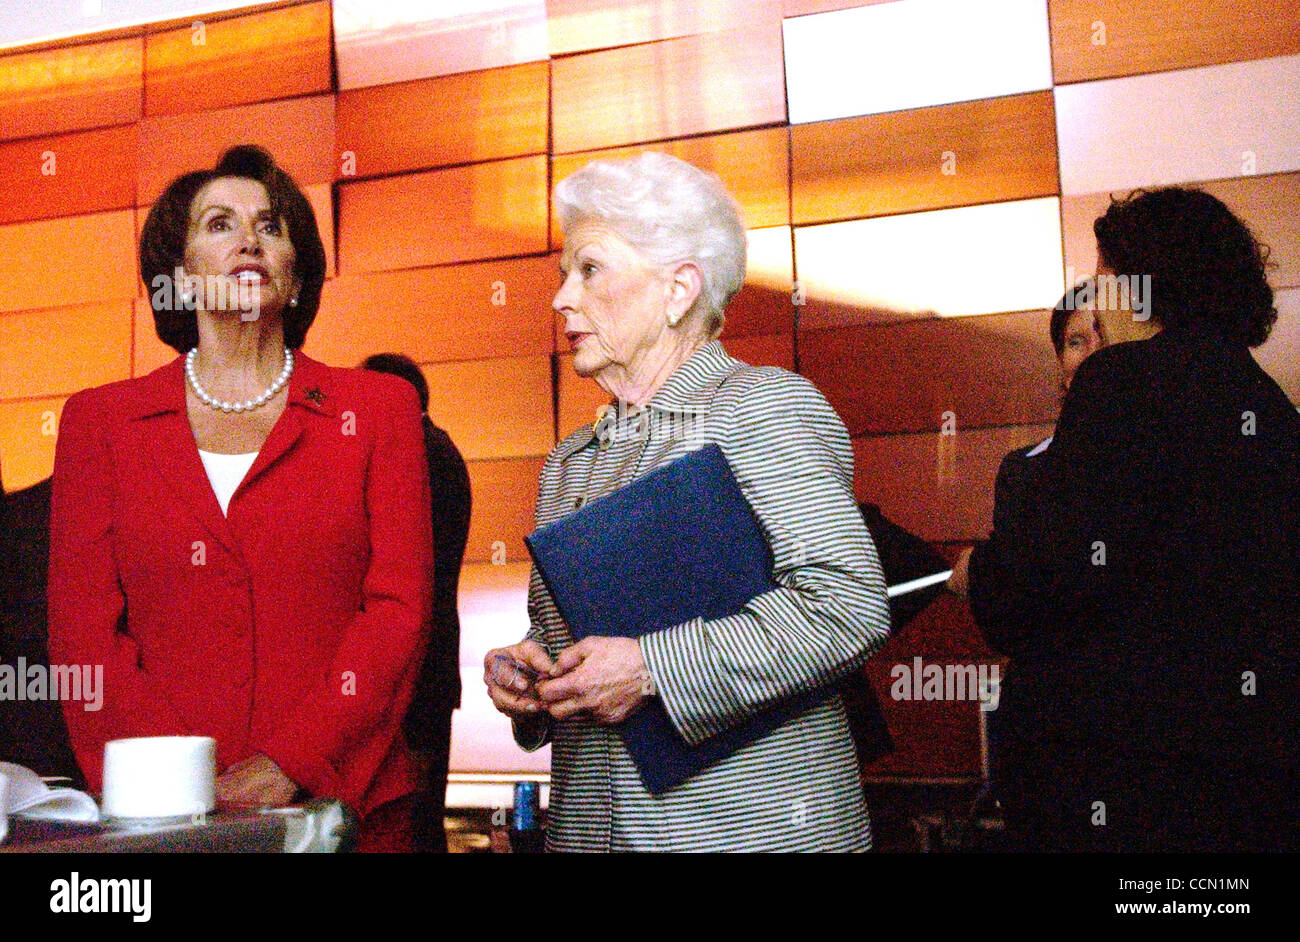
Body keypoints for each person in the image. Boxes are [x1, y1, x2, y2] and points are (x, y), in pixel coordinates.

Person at [483, 152, 891, 851]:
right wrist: (531, 678)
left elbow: (846, 605)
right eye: (563, 276)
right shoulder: (567, 463)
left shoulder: (764, 408)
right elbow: (572, 651)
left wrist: (648, 669)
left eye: (590, 269)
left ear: (677, 290)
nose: (561, 300)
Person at [46, 145, 433, 852]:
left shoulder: (379, 410)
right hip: (159, 821)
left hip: (347, 811)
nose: (250, 239)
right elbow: (84, 637)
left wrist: (291, 763)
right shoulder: (98, 423)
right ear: (181, 274)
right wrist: (179, 780)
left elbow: (398, 614)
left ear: (295, 273)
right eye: (219, 224)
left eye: (273, 226)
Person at [960, 187, 1298, 851]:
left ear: (1144, 283)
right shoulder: (1270, 405)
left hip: (1125, 783)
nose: (1099, 292)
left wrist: (982, 576)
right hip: (1253, 780)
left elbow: (1054, 572)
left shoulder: (1124, 381)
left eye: (1107, 275)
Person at [361, 353, 472, 854]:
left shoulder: (416, 454)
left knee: (406, 825)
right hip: (428, 670)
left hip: (407, 673)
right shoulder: (440, 449)